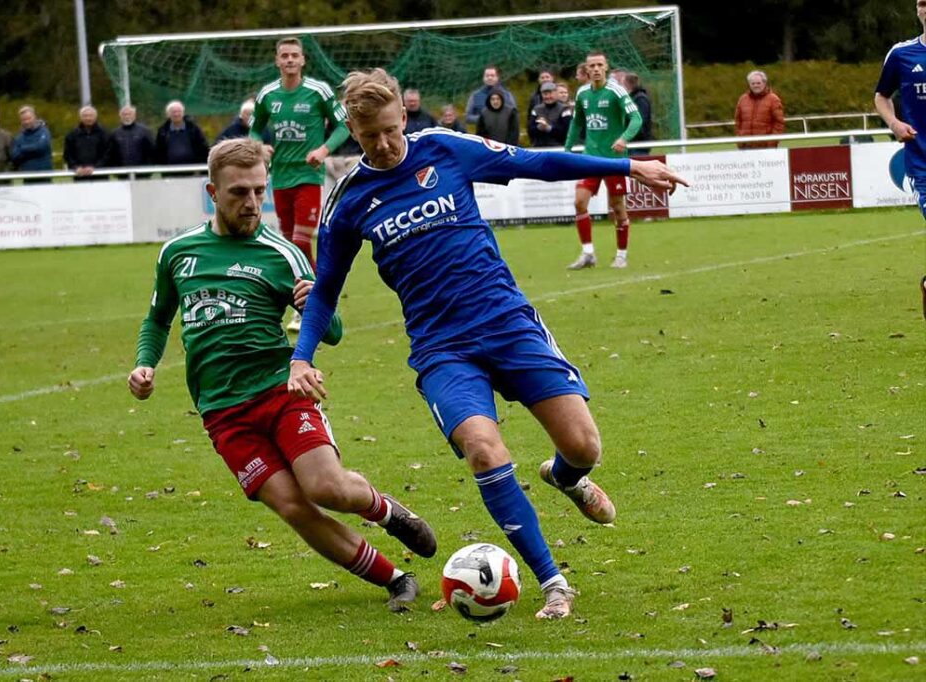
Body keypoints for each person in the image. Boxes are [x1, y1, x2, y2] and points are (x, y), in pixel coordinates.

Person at [287, 68, 686, 620]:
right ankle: (553, 583)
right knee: (483, 450)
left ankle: (565, 477)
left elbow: (538, 163)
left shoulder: (448, 149)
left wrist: (629, 165)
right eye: (367, 135)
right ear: (351, 131)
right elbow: (325, 290)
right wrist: (302, 356)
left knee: (584, 447)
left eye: (388, 129)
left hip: (507, 323)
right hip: (441, 350)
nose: (381, 144)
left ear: (403, 115)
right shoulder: (350, 201)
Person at [128, 137, 437, 611]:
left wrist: (312, 303)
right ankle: (396, 579)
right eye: (238, 193)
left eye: (258, 191)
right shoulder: (178, 253)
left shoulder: (282, 253)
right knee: (294, 506)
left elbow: (331, 329)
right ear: (213, 193)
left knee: (325, 488)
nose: (251, 203)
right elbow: (157, 318)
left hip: (280, 390)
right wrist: (145, 363)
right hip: (222, 413)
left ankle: (387, 511)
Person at [249, 37, 350, 332]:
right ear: (277, 61)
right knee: (292, 247)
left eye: (295, 55)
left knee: (301, 242)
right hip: (280, 178)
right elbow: (254, 129)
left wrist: (323, 151)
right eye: (285, 56)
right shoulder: (268, 95)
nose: (290, 60)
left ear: (303, 60)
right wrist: (259, 147)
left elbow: (344, 125)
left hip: (309, 177)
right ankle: (312, 302)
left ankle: (316, 303)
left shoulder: (318, 92)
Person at [564, 52, 643, 270]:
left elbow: (636, 118)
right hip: (590, 157)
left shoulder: (616, 91)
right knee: (579, 202)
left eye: (600, 65)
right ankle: (588, 253)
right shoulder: (582, 94)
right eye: (592, 66)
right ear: (587, 70)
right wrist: (568, 149)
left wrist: (623, 138)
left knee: (617, 207)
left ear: (606, 67)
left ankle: (621, 255)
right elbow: (577, 123)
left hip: (614, 160)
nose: (596, 69)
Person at [875, 0, 926, 219]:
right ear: (918, 11)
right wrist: (894, 123)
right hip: (921, 163)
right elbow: (881, 96)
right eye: (922, 4)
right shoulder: (901, 54)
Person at [734, 70, 785, 149]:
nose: (755, 85)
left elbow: (779, 124)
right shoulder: (742, 99)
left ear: (764, 83)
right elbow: (738, 121)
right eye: (753, 83)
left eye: (758, 83)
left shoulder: (774, 99)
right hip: (746, 147)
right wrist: (740, 140)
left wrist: (772, 143)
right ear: (749, 84)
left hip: (766, 147)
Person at [155, 100, 209, 165]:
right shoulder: (162, 131)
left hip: (192, 169)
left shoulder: (194, 129)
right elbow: (158, 151)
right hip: (169, 170)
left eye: (179, 111)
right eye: (173, 112)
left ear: (183, 113)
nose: (176, 114)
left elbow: (203, 147)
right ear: (168, 114)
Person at [63, 105, 109, 178]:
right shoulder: (72, 135)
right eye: (85, 116)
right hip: (79, 175)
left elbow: (108, 154)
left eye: (91, 116)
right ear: (80, 117)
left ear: (95, 117)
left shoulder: (104, 134)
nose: (88, 118)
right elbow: (68, 155)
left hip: (100, 175)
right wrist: (76, 167)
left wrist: (95, 167)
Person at [11, 106, 54, 173]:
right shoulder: (19, 137)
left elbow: (41, 147)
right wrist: (34, 151)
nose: (27, 122)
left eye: (29, 118)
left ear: (34, 117)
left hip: (44, 175)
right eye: (24, 120)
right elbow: (15, 156)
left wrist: (23, 149)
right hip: (27, 176)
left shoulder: (44, 132)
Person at [528, 81, 571, 148]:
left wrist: (549, 128)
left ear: (556, 93)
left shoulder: (564, 109)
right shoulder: (536, 110)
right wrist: (539, 128)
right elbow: (530, 130)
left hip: (559, 147)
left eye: (550, 93)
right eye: (545, 94)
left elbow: (567, 131)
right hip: (539, 147)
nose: (548, 97)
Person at [623, 72, 653, 156]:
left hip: (638, 145)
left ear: (627, 84)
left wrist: (628, 134)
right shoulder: (633, 98)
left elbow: (641, 122)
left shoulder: (640, 99)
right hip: (633, 144)